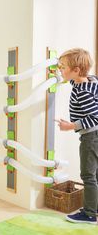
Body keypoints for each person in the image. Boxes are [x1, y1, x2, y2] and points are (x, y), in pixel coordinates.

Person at [55, 48, 98, 225]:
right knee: (94, 174)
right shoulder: (91, 81)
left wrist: (71, 126)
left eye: (63, 67)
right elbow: (73, 80)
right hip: (94, 136)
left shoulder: (83, 92)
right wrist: (61, 71)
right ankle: (93, 207)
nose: (60, 70)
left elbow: (94, 117)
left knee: (88, 175)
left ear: (76, 71)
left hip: (91, 137)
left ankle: (89, 214)